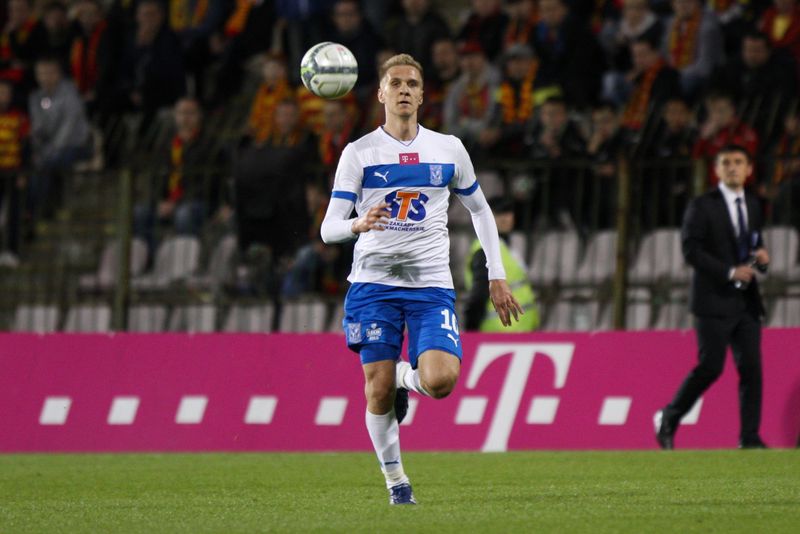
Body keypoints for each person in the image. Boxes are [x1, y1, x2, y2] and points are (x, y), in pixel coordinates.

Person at [320, 53, 523, 505]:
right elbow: (328, 228)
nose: (404, 90)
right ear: (381, 93)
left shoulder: (448, 149)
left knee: (440, 381)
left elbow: (480, 210)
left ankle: (403, 380)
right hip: (373, 285)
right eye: (395, 83)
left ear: (423, 94)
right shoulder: (359, 153)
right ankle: (397, 482)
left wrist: (497, 275)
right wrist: (356, 223)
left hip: (431, 286)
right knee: (376, 390)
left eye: (412, 83)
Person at [655, 144, 770, 450]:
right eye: (726, 162)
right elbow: (691, 250)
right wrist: (729, 272)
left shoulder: (753, 205)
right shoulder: (702, 205)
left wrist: (761, 259)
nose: (732, 167)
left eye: (738, 162)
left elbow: (753, 244)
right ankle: (669, 416)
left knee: (752, 370)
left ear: (749, 169)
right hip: (713, 300)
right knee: (711, 366)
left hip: (746, 302)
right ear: (716, 170)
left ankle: (749, 437)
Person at [464, 196, 538, 332]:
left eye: (508, 213)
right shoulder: (484, 250)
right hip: (499, 330)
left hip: (518, 329)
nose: (505, 218)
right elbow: (479, 294)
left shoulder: (509, 245)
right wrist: (471, 330)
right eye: (498, 214)